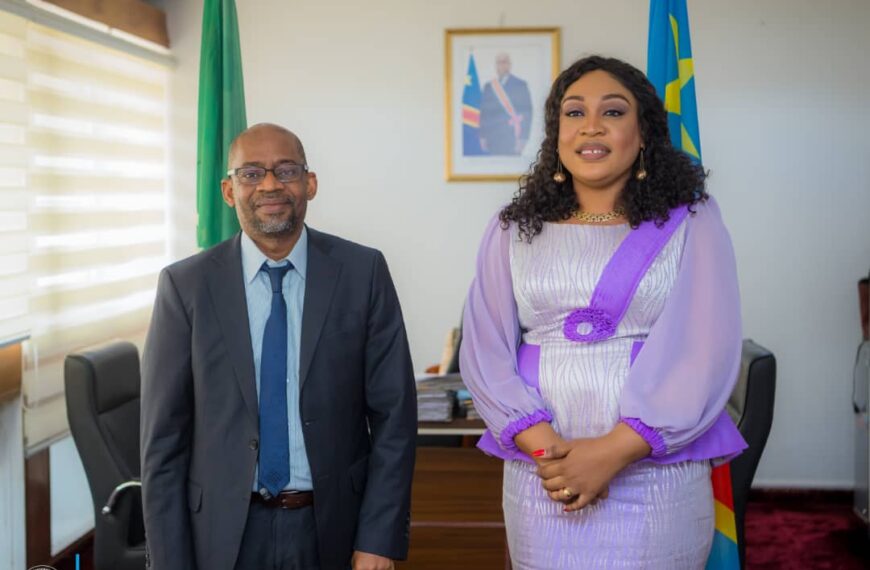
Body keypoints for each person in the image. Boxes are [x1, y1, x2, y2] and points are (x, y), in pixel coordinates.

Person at [460, 56, 748, 569]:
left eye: (613, 112)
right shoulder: (512, 228)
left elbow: (705, 349)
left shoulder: (693, 221)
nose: (591, 125)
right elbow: (485, 348)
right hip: (542, 478)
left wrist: (611, 452)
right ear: (556, 135)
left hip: (656, 477)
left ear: (643, 136)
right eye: (574, 113)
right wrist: (552, 455)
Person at [141, 123, 417, 570]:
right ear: (229, 191)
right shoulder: (186, 286)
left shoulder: (362, 272)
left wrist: (379, 539)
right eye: (251, 174)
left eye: (285, 170)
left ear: (310, 183)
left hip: (333, 530)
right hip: (219, 535)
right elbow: (163, 440)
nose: (270, 184)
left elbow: (395, 419)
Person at [479, 52, 533, 155]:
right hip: (492, 138)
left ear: (509, 65)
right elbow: (484, 114)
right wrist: (482, 136)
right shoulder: (488, 87)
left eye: (504, 62)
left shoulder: (520, 85)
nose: (502, 65)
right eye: (499, 62)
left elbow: (527, 113)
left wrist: (523, 138)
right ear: (496, 66)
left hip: (513, 138)